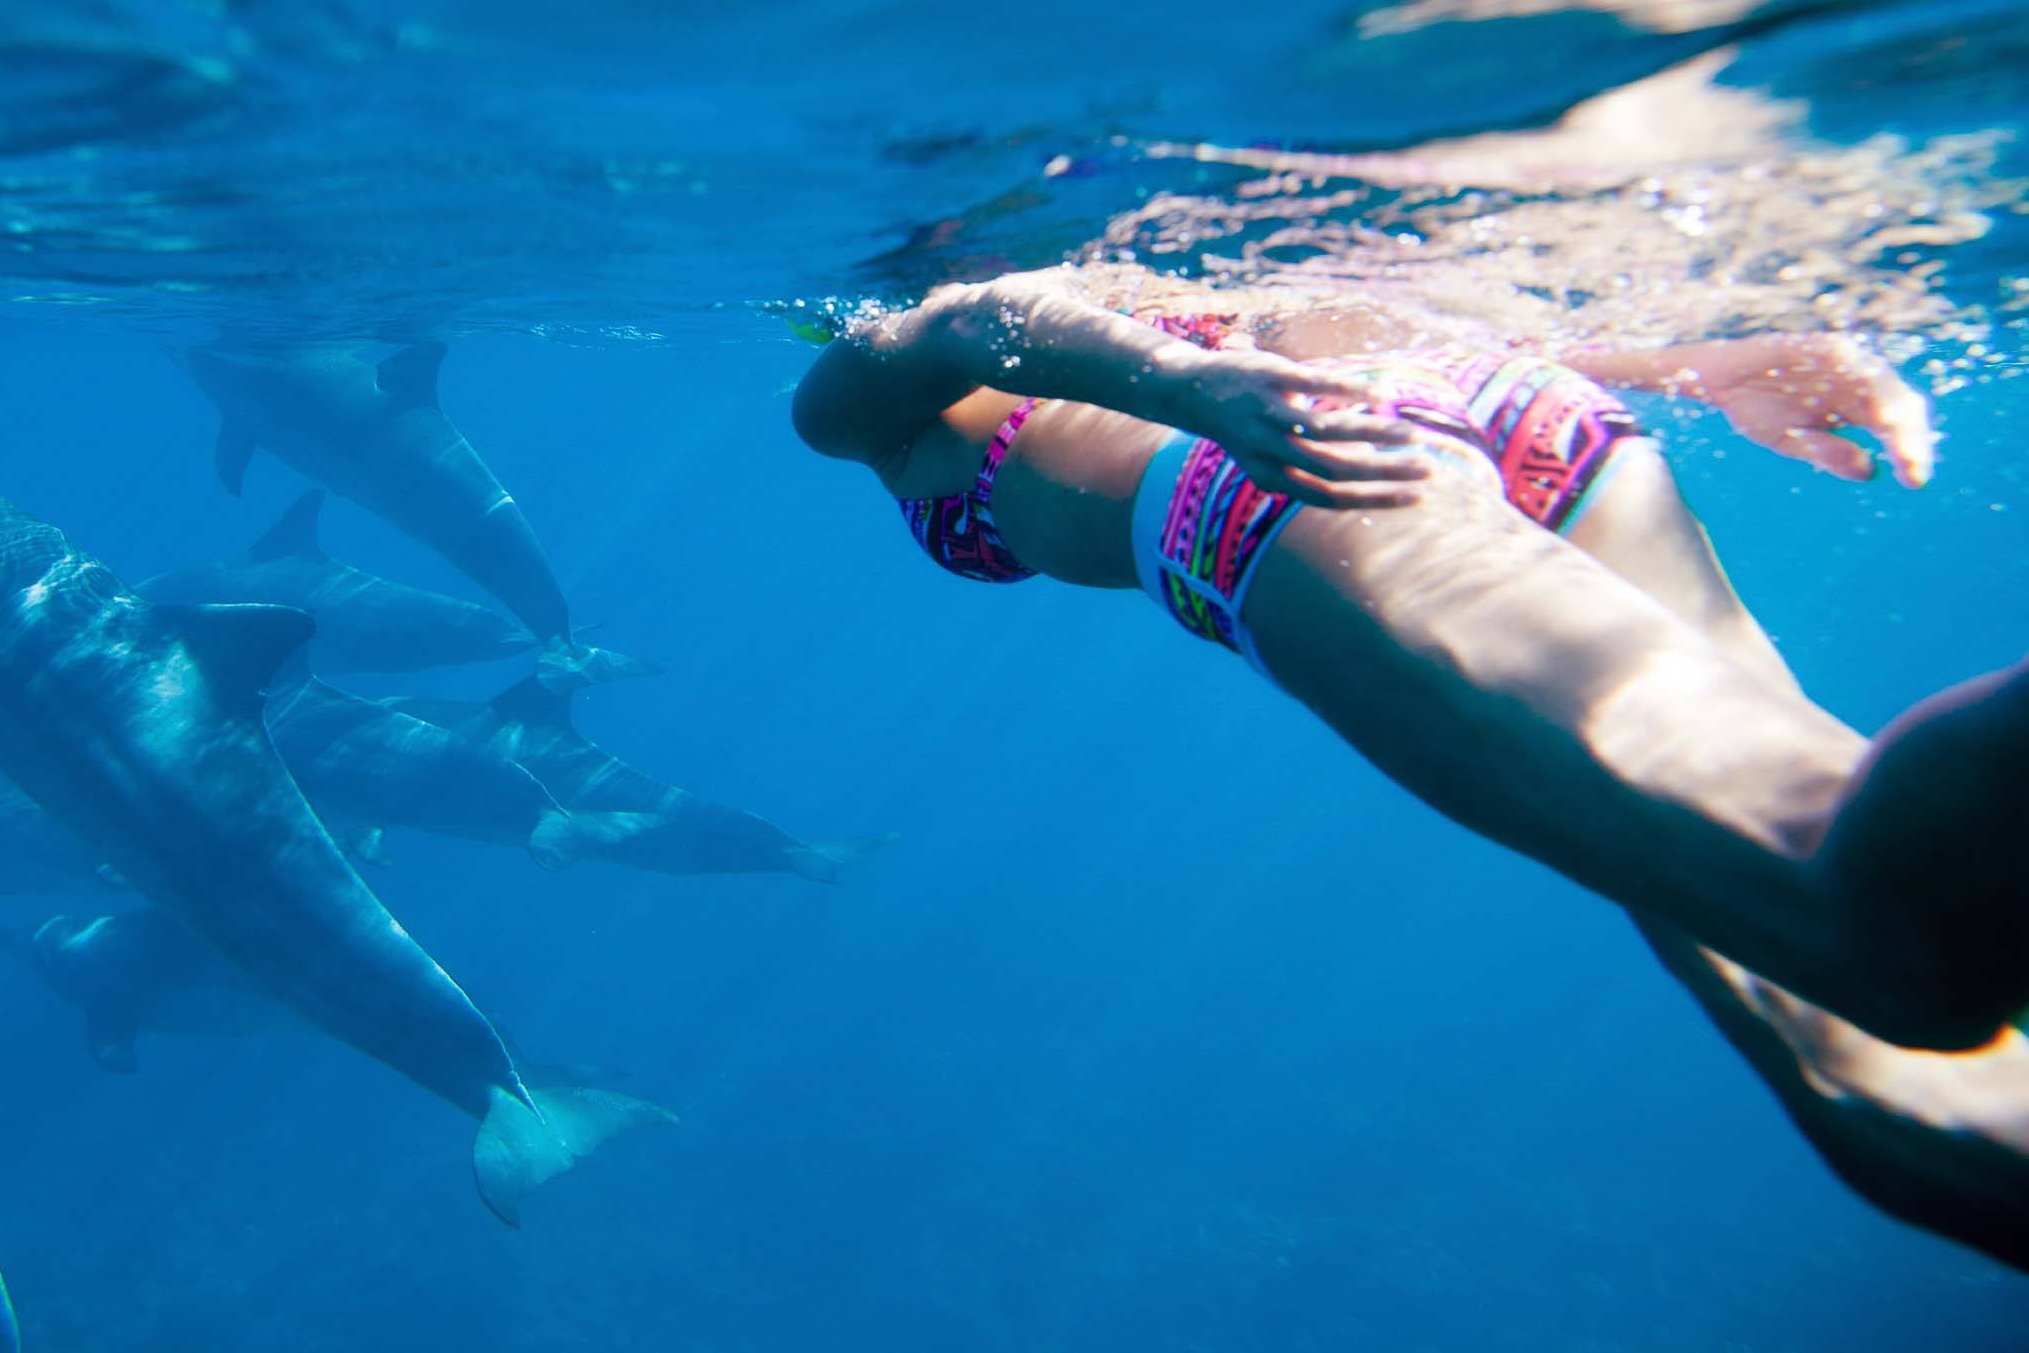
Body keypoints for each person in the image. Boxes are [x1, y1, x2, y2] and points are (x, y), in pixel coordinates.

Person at [792, 264, 2029, 1262]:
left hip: (1285, 469)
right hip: (1488, 402)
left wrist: (1193, 388)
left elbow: (963, 318)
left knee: (1869, 932)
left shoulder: (858, 385)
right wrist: (1697, 368)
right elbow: (1390, 310)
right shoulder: (1177, 263)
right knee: (1848, 1056)